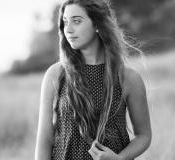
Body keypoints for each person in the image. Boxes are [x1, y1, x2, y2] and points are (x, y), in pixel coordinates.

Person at [35, 0, 151, 160]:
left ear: (97, 24)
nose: (68, 29)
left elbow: (143, 135)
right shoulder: (56, 74)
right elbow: (45, 138)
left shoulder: (128, 78)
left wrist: (120, 158)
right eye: (65, 22)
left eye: (76, 21)